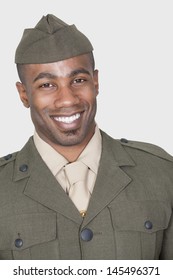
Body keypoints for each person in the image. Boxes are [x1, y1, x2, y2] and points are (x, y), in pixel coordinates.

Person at [0, 14, 173, 260]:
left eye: (78, 80)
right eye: (47, 85)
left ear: (96, 82)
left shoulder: (161, 173)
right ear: (24, 94)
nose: (68, 99)